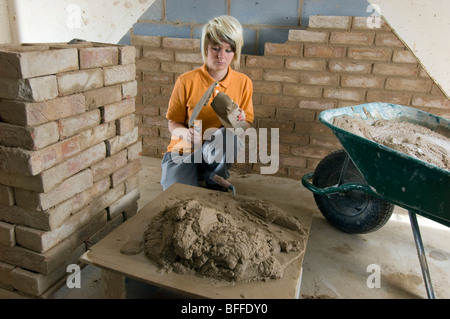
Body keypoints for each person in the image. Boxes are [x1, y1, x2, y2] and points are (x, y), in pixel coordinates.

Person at [160, 15, 254, 191]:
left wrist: (239, 122)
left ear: (235, 52)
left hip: (213, 153)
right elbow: (173, 123)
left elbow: (245, 124)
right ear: (205, 48)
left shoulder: (243, 82)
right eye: (216, 48)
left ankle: (213, 179)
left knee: (230, 136)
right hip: (185, 151)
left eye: (228, 50)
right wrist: (185, 133)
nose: (221, 56)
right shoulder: (186, 81)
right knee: (177, 196)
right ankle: (191, 173)